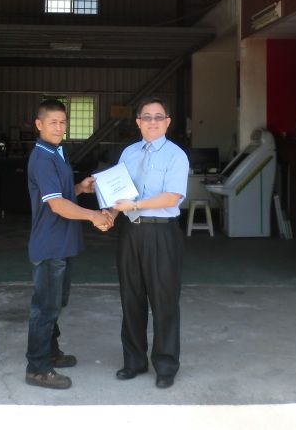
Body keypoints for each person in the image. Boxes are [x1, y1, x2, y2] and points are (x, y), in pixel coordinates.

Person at [25, 98, 112, 390]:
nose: (59, 127)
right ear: (39, 124)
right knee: (45, 308)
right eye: (53, 122)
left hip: (62, 242)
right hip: (50, 243)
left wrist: (79, 188)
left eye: (63, 122)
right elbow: (57, 205)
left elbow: (59, 194)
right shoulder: (42, 158)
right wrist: (94, 215)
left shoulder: (57, 153)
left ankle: (50, 352)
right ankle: (37, 368)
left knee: (55, 303)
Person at [110, 97, 189, 389]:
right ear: (138, 122)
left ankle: (166, 365)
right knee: (131, 298)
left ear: (167, 122)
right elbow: (117, 192)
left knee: (164, 301)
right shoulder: (128, 153)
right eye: (147, 117)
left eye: (158, 117)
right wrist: (109, 212)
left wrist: (135, 205)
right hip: (131, 233)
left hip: (161, 233)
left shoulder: (176, 156)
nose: (152, 122)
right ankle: (134, 361)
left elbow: (172, 197)